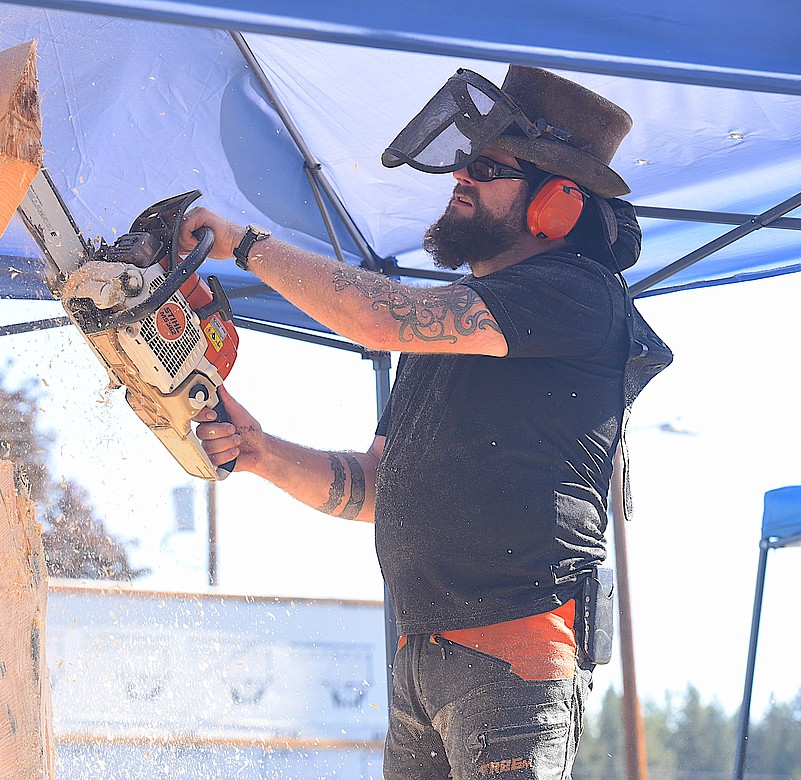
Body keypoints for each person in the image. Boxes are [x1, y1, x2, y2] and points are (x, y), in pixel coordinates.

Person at [178, 65, 658, 778]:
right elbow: (374, 486)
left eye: (489, 167)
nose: (461, 178)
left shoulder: (576, 296)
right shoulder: (451, 328)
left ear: (558, 201)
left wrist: (247, 246)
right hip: (421, 664)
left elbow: (376, 316)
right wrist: (262, 453)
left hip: (513, 662)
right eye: (464, 162)